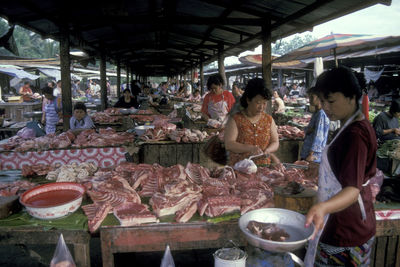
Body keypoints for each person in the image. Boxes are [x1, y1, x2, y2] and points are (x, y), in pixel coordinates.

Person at [304, 67, 377, 266]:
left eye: (331, 101)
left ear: (352, 97)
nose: (326, 107)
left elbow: (352, 190)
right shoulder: (353, 125)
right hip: (351, 222)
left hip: (346, 227)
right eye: (323, 101)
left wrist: (322, 207)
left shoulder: (355, 135)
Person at [224, 78, 280, 166]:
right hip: (241, 168)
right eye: (258, 103)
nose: (262, 107)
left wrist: (268, 150)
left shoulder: (268, 120)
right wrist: (250, 148)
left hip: (264, 168)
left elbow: (275, 142)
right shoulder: (236, 119)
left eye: (264, 103)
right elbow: (229, 144)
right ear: (248, 100)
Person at [300, 87, 330, 163]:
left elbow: (319, 136)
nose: (309, 99)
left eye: (312, 97)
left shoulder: (321, 114)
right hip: (308, 151)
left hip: (313, 156)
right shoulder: (316, 112)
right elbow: (311, 130)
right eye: (309, 97)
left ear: (319, 98)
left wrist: (311, 154)